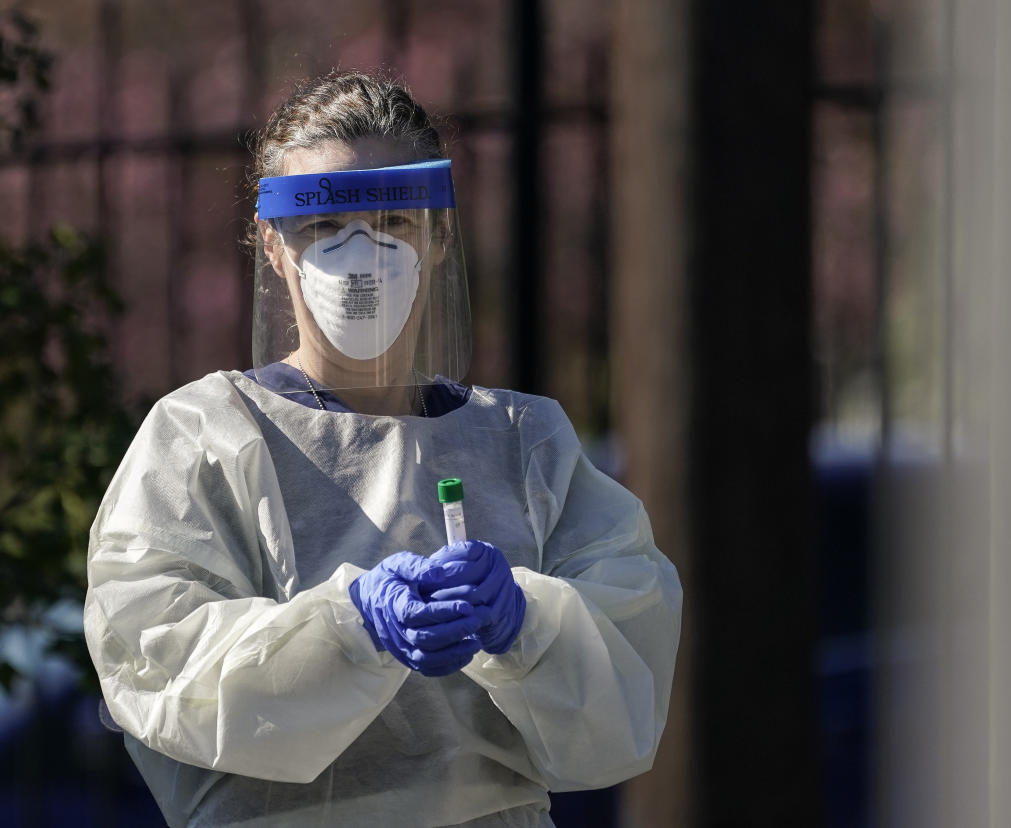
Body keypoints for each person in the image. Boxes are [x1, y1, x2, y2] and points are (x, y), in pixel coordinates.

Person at [83, 70, 682, 828]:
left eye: (393, 219)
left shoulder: (525, 443)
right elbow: (155, 662)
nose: (360, 253)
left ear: (439, 239)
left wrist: (528, 623)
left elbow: (629, 683)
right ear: (273, 244)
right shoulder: (205, 436)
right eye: (324, 226)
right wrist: (347, 626)